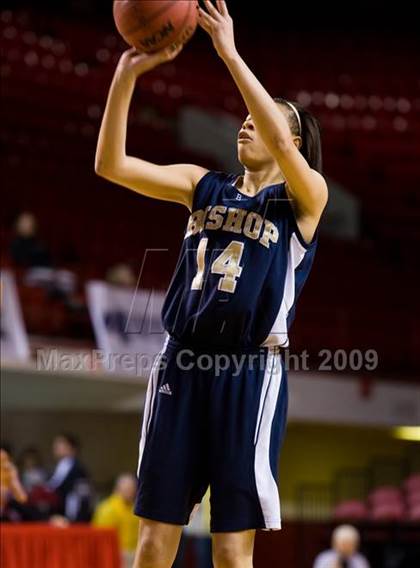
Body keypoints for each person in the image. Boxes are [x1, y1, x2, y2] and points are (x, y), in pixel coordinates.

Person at [95, 1, 328, 566]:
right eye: (246, 115)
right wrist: (125, 76)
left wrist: (229, 52)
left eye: (267, 119)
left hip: (249, 371)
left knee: (230, 549)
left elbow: (273, 129)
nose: (248, 121)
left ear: (291, 144)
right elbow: (112, 164)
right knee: (153, 542)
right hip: (181, 363)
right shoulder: (202, 185)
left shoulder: (304, 198)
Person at [93, 473, 139, 566]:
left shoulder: (134, 508)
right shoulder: (108, 509)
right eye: (128, 488)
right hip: (116, 555)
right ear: (117, 488)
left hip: (134, 554)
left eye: (133, 488)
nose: (131, 491)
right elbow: (102, 540)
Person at [48, 433, 93, 522]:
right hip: (59, 513)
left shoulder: (78, 469)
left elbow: (82, 496)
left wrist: (75, 517)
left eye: (60, 444)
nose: (56, 447)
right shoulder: (59, 466)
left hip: (72, 515)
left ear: (71, 448)